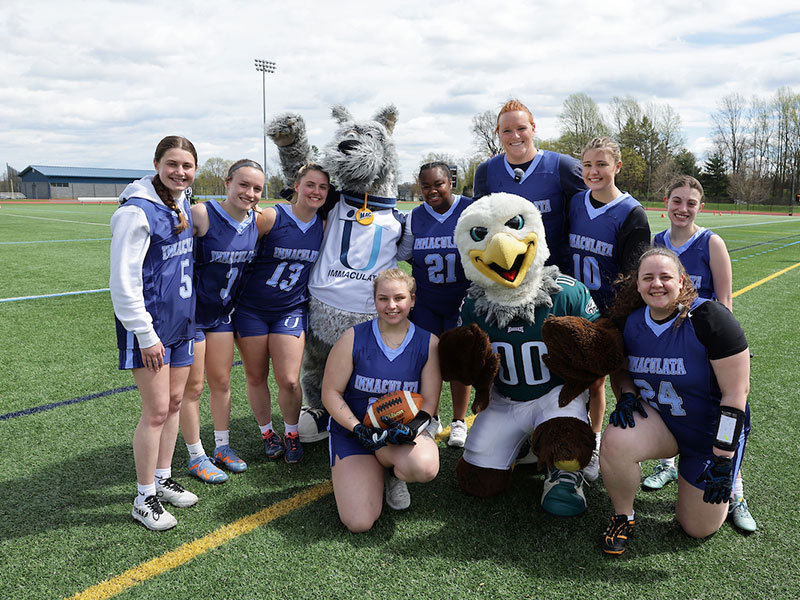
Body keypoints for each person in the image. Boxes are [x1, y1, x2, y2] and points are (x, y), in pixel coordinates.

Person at [599, 247, 751, 555]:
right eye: (648, 278)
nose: (657, 284)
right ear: (638, 284)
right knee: (615, 439)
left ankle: (733, 481)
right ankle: (623, 516)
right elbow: (621, 371)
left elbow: (736, 395)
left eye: (665, 277)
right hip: (662, 423)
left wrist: (722, 457)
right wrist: (627, 395)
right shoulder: (629, 322)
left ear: (681, 281)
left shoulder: (709, 318)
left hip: (708, 434)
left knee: (696, 528)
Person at [648, 175, 755, 531]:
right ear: (666, 202)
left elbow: (724, 301)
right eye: (677, 201)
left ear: (700, 207)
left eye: (690, 203)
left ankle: (735, 488)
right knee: (669, 406)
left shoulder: (711, 242)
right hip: (665, 342)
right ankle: (667, 465)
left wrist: (724, 349)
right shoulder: (656, 242)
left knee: (719, 411)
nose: (682, 209)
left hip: (702, 343)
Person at [110, 135, 200, 530]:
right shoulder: (137, 211)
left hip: (181, 323)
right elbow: (123, 281)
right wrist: (145, 334)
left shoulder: (181, 200)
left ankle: (162, 479)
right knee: (157, 410)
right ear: (157, 163)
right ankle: (143, 496)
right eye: (173, 164)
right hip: (152, 327)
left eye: (187, 165)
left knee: (176, 402)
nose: (180, 172)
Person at [321, 268, 441, 532]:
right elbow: (330, 392)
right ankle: (374, 469)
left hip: (398, 434)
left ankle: (393, 472)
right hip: (356, 433)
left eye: (399, 298)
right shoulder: (353, 338)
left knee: (424, 467)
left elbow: (431, 400)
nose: (392, 306)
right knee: (359, 522)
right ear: (374, 300)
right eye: (383, 299)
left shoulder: (428, 343)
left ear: (412, 299)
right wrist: (358, 428)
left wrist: (411, 429)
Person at [567, 137, 650, 482]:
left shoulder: (631, 213)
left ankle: (595, 441)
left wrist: (612, 319)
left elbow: (633, 278)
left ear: (617, 167)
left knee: (598, 381)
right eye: (587, 165)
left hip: (607, 312)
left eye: (601, 164)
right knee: (571, 377)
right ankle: (569, 435)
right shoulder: (575, 202)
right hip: (573, 306)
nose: (593, 171)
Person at [234, 163, 328, 464]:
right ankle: (266, 432)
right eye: (310, 184)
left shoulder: (323, 226)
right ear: (297, 186)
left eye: (323, 187)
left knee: (288, 379)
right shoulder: (271, 216)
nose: (316, 191)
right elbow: (235, 246)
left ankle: (290, 432)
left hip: (289, 309)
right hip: (251, 309)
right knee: (256, 374)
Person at [179, 160, 263, 484]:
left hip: (222, 315)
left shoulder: (257, 221)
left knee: (222, 382)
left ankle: (222, 447)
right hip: (192, 317)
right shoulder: (203, 214)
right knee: (194, 387)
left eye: (256, 188)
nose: (250, 193)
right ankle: (196, 455)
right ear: (228, 182)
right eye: (243, 184)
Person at [398, 161, 473, 447]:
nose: (432, 191)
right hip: (428, 301)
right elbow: (405, 251)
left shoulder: (470, 209)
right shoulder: (415, 217)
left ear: (450, 183)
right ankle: (431, 417)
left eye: (438, 184)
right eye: (426, 186)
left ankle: (458, 420)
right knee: (427, 363)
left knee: (460, 363)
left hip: (461, 299)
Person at [473, 98, 586, 271]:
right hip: (506, 275)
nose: (515, 136)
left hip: (556, 273)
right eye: (507, 130)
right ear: (498, 133)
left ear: (533, 128)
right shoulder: (486, 171)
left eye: (521, 128)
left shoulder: (563, 166)